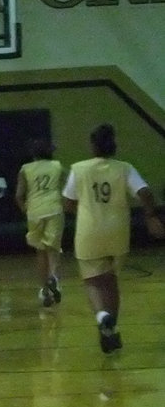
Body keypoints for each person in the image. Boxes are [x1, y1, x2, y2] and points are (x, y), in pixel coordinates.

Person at [63, 123, 165, 354]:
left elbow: (67, 203)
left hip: (89, 231)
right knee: (110, 281)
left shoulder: (79, 168)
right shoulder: (124, 168)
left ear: (92, 145)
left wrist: (86, 207)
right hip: (118, 231)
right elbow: (145, 193)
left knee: (92, 281)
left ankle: (102, 317)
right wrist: (150, 216)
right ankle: (112, 331)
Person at [15, 138, 65, 307]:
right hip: (54, 208)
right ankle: (54, 279)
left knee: (40, 251)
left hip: (35, 211)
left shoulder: (25, 169)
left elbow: (19, 195)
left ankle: (44, 290)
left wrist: (25, 210)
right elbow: (62, 189)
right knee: (54, 249)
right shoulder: (57, 166)